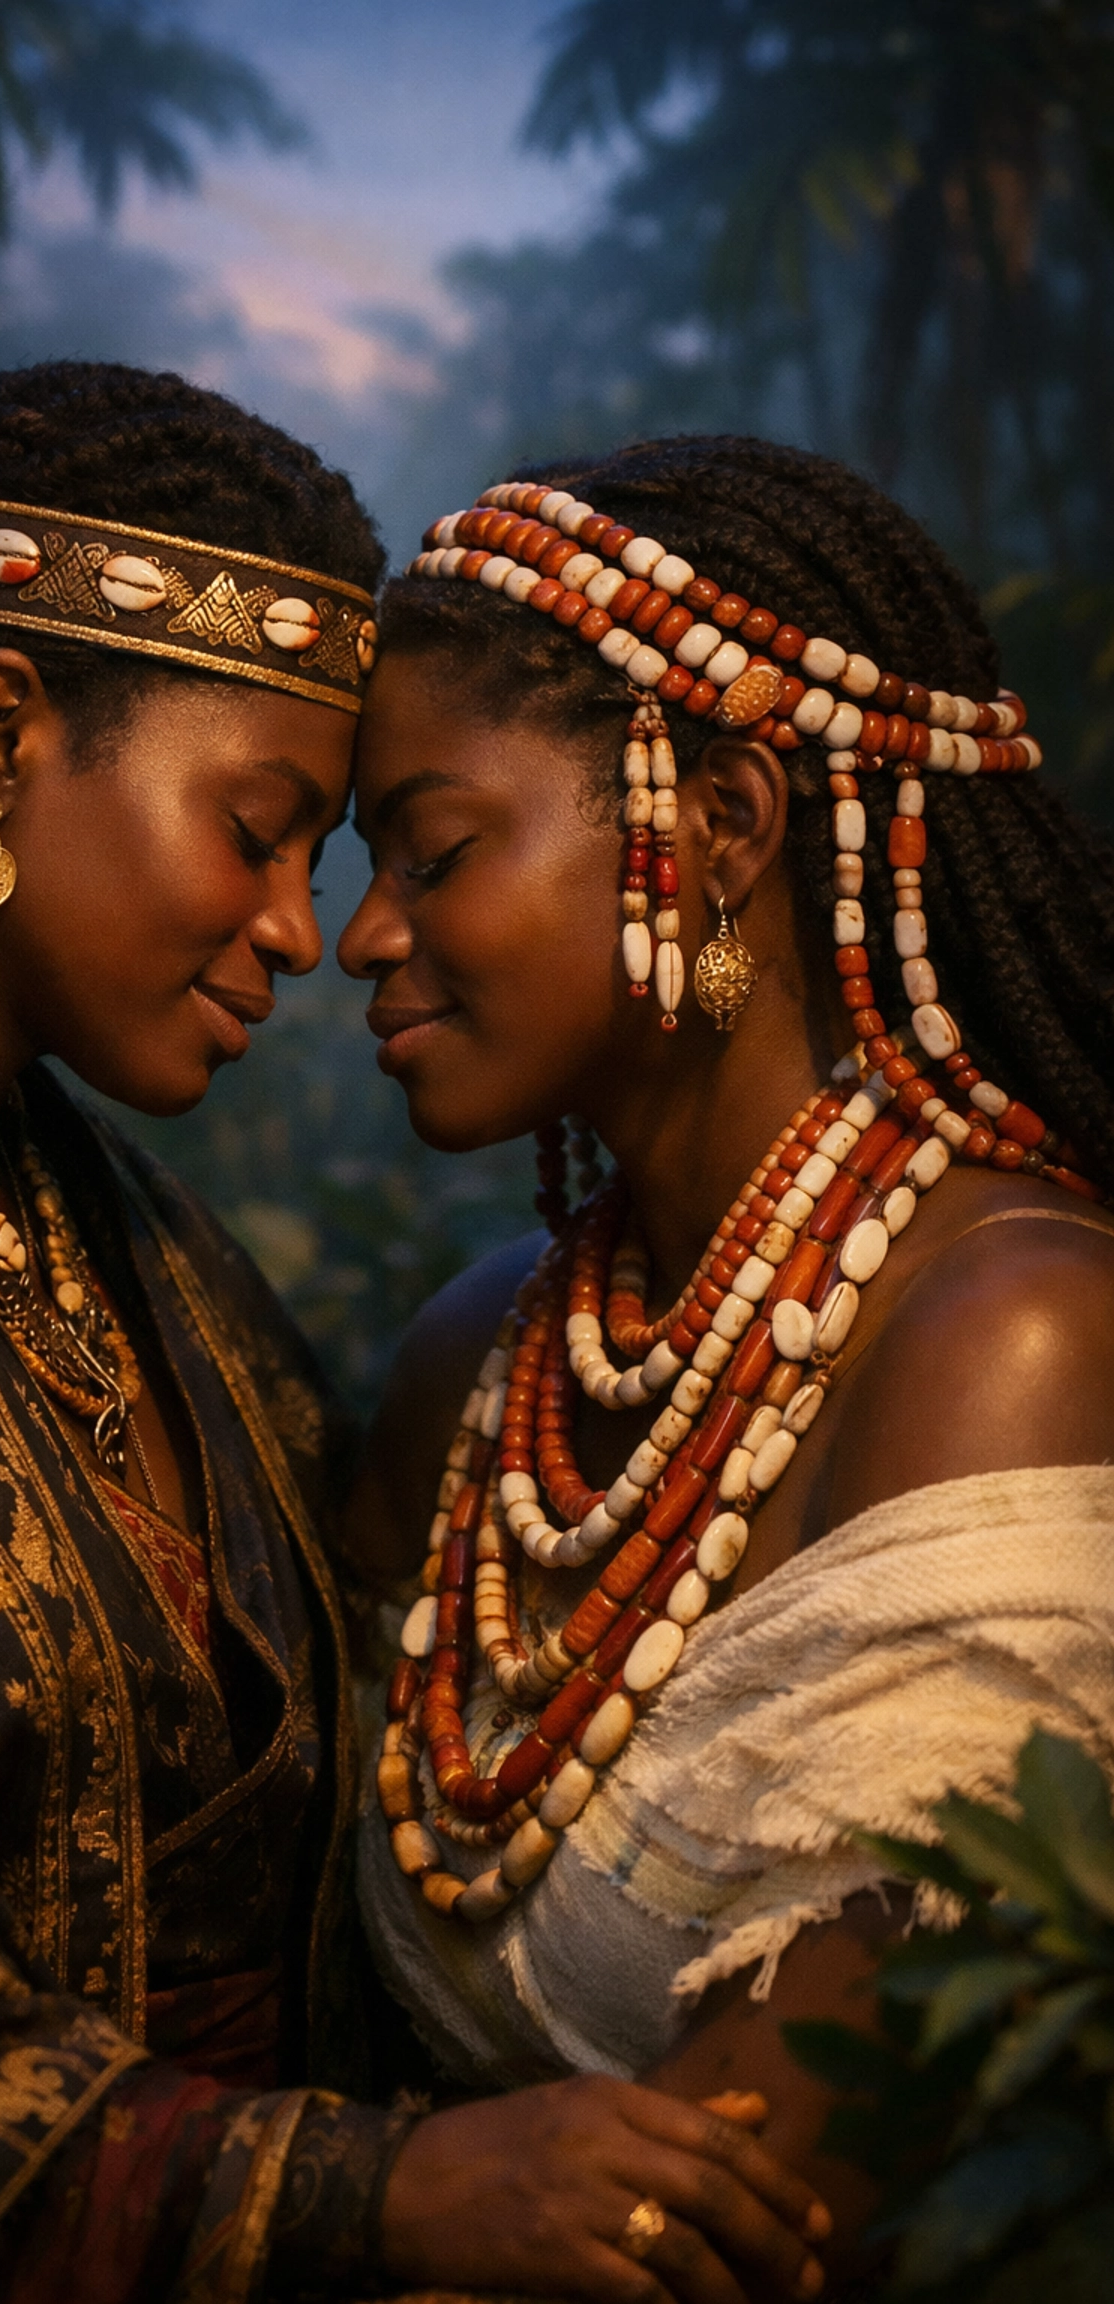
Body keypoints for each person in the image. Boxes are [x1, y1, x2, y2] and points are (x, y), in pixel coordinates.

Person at [0, 369, 830, 2304]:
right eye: (258, 833)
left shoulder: (114, 1217)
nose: (301, 930)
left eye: (329, 860)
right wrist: (382, 2197)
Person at [342, 436, 1114, 2264]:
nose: (361, 938)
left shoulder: (1017, 1338)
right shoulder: (477, 1363)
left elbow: (722, 2228)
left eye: (437, 851)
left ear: (726, 827)